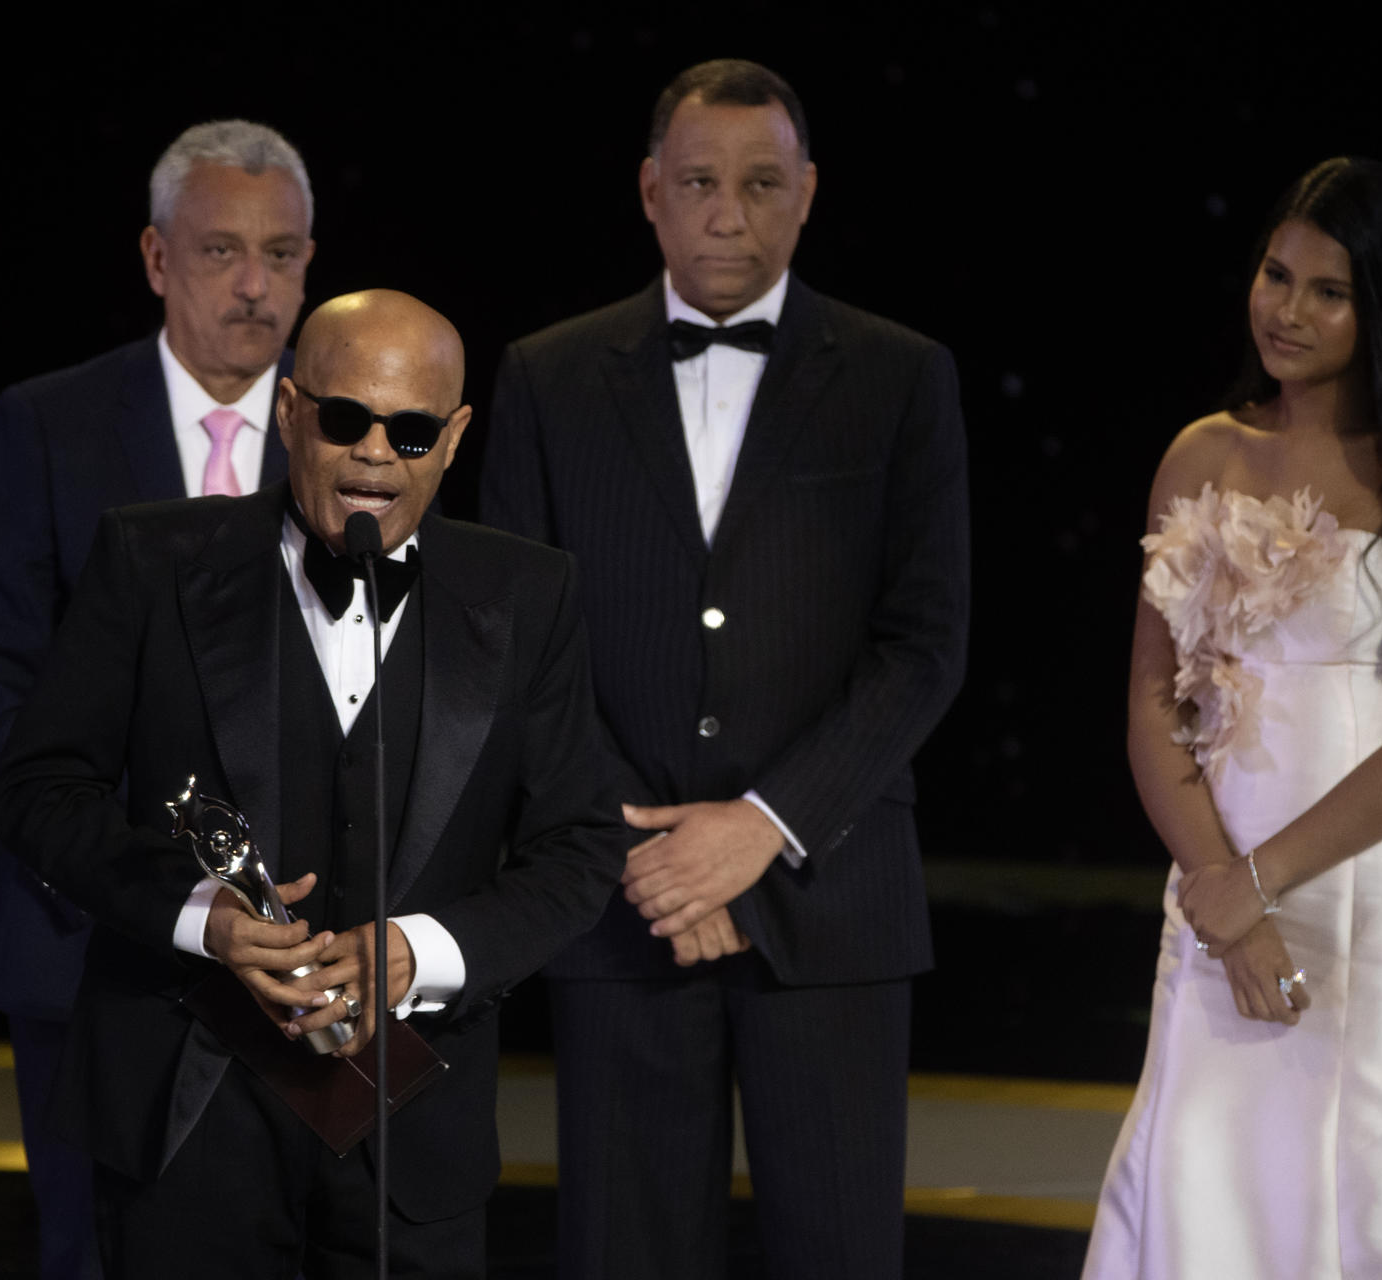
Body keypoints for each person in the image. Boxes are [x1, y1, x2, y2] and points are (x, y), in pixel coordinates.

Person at [0, 289, 625, 1278]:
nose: (376, 453)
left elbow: (580, 848)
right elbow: (39, 785)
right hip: (187, 1112)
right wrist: (202, 914)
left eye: (411, 431)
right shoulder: (153, 558)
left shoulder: (529, 594)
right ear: (290, 413)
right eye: (344, 419)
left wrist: (419, 952)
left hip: (414, 1134)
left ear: (454, 440)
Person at [480, 58, 970, 1280]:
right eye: (700, 181)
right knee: (625, 1250)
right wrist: (648, 850)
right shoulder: (546, 376)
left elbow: (925, 643)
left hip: (834, 901)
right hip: (624, 904)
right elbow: (514, 645)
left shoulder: (904, 377)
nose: (727, 211)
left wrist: (764, 824)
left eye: (761, 183)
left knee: (842, 1251)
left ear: (808, 194)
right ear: (651, 192)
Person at [1082, 158, 1382, 1278]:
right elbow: (1151, 700)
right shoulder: (1203, 451)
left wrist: (1259, 878)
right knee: (1209, 1149)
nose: (1287, 309)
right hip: (1218, 868)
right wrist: (1223, 891)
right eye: (1277, 275)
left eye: (1329, 290)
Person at [0, 118, 313, 1279]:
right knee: (91, 1254)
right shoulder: (46, 426)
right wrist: (153, 884)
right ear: (157, 258)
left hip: (306, 952)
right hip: (86, 944)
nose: (256, 285)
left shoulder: (352, 434)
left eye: (285, 253)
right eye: (220, 252)